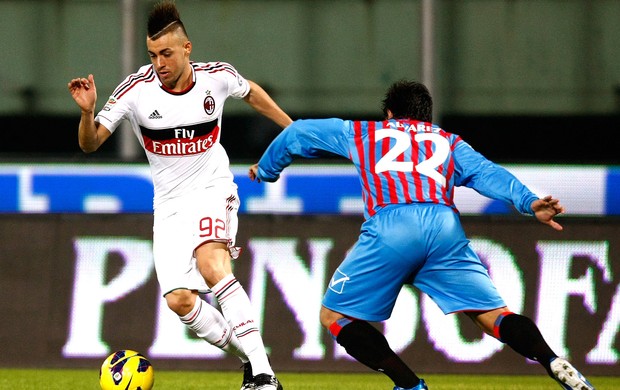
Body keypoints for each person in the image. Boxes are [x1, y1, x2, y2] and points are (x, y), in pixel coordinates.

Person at [248, 80, 596, 390]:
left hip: (392, 227)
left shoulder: (365, 132)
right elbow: (489, 174)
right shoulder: (448, 141)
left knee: (334, 317)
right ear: (427, 117)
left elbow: (298, 132)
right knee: (494, 317)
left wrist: (266, 170)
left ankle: (410, 385)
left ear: (389, 113)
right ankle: (552, 360)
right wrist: (530, 202)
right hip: (444, 226)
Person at [68, 1, 291, 389]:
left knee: (212, 264)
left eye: (167, 53)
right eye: (153, 55)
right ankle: (252, 359)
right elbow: (91, 144)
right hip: (169, 206)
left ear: (187, 48)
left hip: (213, 188)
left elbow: (251, 92)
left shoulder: (215, 78)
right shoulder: (135, 90)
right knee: (179, 301)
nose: (159, 63)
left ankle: (265, 376)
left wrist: (292, 130)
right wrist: (87, 114)